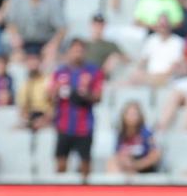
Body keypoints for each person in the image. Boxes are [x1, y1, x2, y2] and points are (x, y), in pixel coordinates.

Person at [50, 38, 104, 179]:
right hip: (64, 124)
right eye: (74, 50)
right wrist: (56, 90)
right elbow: (50, 96)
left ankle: (85, 195)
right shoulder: (60, 72)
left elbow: (98, 97)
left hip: (84, 125)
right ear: (68, 52)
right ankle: (59, 194)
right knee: (61, 163)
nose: (77, 53)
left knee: (85, 165)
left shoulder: (93, 71)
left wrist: (84, 94)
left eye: (80, 50)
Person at [108, 101, 162, 175]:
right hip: (126, 166)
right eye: (129, 114)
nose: (132, 117)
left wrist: (137, 165)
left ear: (140, 116)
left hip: (143, 167)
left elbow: (155, 154)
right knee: (111, 162)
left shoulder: (146, 133)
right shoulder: (121, 134)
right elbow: (117, 154)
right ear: (124, 116)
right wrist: (125, 162)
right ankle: (115, 184)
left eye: (134, 114)